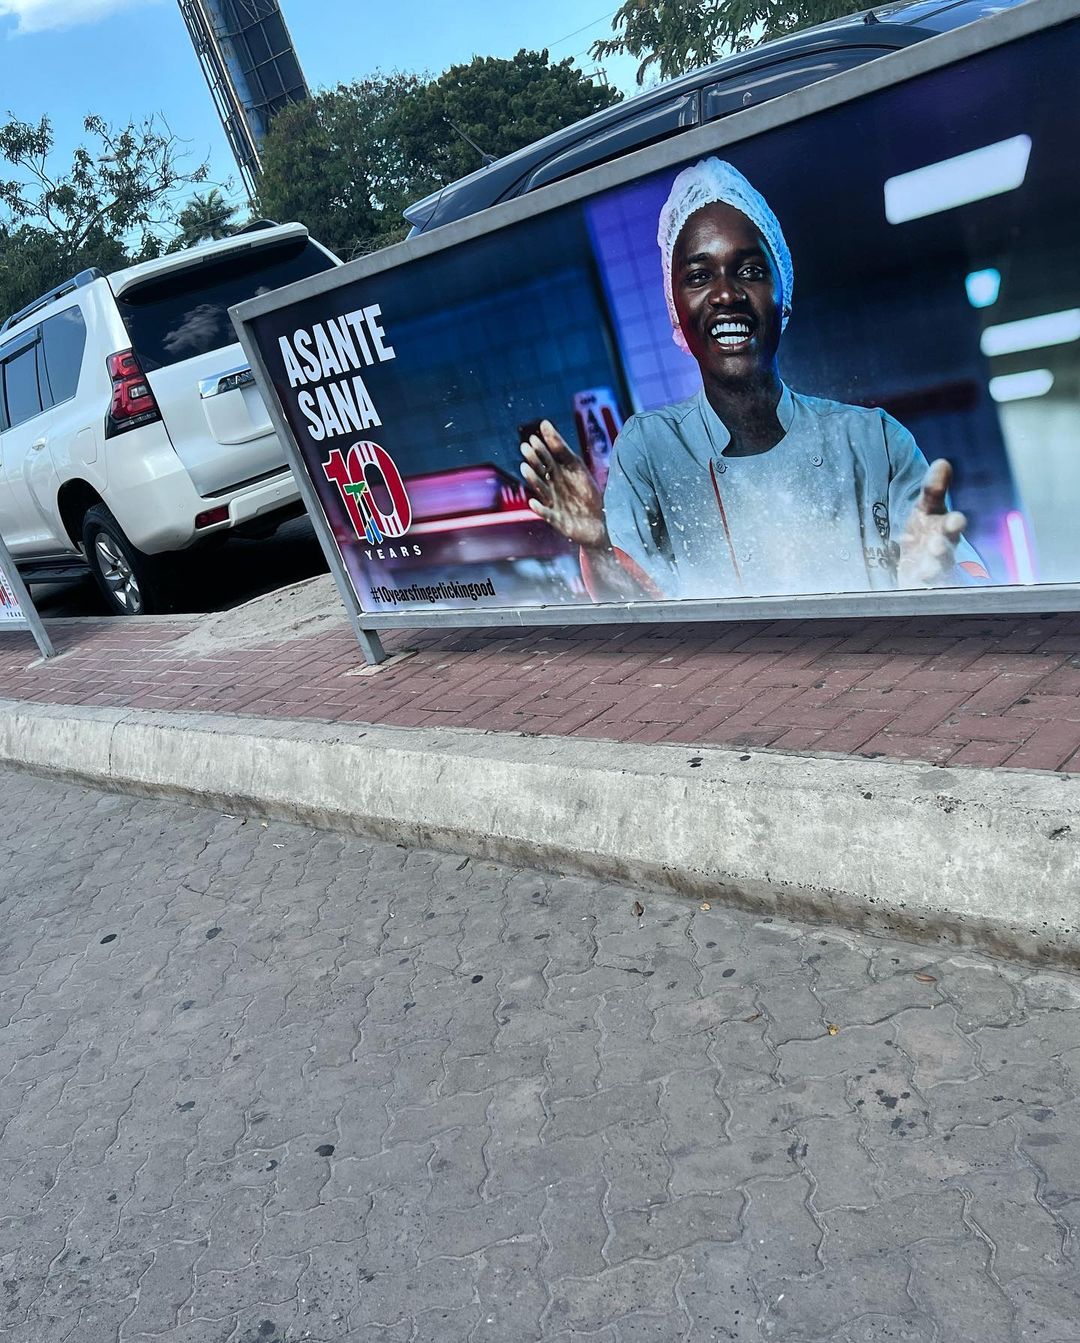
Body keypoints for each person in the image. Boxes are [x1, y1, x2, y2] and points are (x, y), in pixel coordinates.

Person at [519, 157, 988, 601]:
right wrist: (599, 543)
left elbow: (961, 584)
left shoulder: (875, 442)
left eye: (750, 271)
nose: (726, 294)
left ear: (783, 294)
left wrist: (938, 577)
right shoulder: (649, 447)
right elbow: (636, 614)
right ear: (675, 309)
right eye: (699, 276)